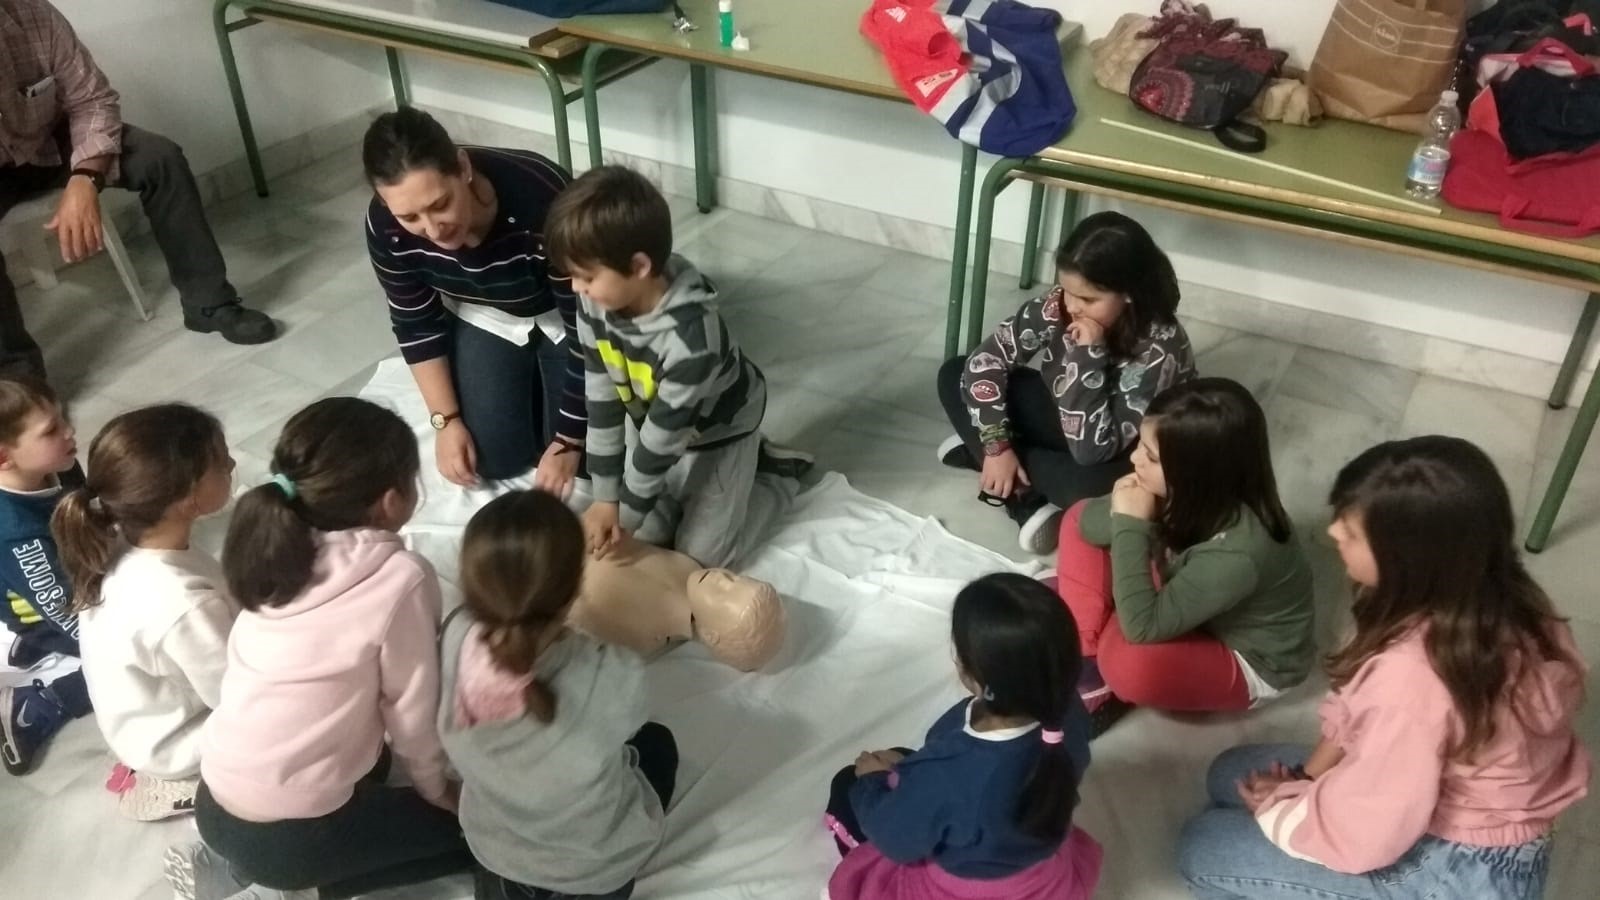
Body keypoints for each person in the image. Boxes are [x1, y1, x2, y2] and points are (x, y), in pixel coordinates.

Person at [1177, 436, 1591, 899]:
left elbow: (1369, 832)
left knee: (1201, 848)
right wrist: (1304, 781)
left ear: (1406, 559)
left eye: (1353, 533)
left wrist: (1281, 811)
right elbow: (1363, 718)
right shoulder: (1500, 597)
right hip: (1469, 815)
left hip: (1457, 870)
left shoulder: (1414, 680)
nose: (1334, 532)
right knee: (1228, 772)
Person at [164, 398, 471, 900]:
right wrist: (437, 789)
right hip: (289, 840)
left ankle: (256, 868)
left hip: (214, 800)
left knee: (368, 766)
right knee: (481, 833)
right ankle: (295, 884)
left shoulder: (272, 546)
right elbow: (410, 708)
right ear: (392, 501)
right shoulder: (400, 578)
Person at [0, 0, 276, 387]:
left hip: (49, 141)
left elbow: (91, 99)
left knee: (159, 158)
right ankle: (18, 383)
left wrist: (85, 178)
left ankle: (208, 303)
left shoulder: (33, 13)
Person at [549, 165, 806, 569]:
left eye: (586, 276)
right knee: (645, 535)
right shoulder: (593, 300)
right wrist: (605, 498)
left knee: (701, 561)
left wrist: (624, 517)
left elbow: (661, 442)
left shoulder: (692, 340)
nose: (575, 287)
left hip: (720, 430)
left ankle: (768, 473)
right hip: (652, 418)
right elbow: (601, 400)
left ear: (639, 267)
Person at [440, 489, 677, 900]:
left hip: (497, 851)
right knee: (658, 745)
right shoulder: (613, 671)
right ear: (574, 592)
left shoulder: (455, 635)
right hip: (594, 868)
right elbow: (627, 723)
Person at [1052, 378, 1315, 733]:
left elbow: (1142, 628)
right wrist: (1128, 514)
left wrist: (1130, 523)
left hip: (1248, 657)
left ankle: (1097, 633)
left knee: (1129, 664)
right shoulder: (1200, 492)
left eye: (1150, 456)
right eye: (1141, 445)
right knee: (1077, 518)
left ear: (1194, 474)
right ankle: (1084, 653)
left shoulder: (1239, 553)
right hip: (1193, 593)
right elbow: (1086, 525)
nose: (1133, 459)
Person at [822, 573, 1102, 900]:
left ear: (973, 676)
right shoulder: (1069, 711)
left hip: (970, 887)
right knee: (903, 758)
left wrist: (873, 782)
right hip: (1045, 874)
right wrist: (916, 773)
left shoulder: (949, 773)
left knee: (846, 784)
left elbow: (896, 839)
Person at [936, 211, 1195, 555]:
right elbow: (988, 360)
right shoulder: (1057, 305)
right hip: (1064, 411)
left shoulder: (1161, 347)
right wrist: (997, 447)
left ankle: (994, 468)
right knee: (955, 374)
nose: (1072, 306)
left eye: (1087, 299)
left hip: (1119, 446)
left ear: (1130, 293)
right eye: (1067, 290)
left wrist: (1088, 355)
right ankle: (1014, 482)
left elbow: (1092, 451)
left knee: (1096, 490)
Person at [363, 107, 585, 493]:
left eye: (440, 204)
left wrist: (569, 439)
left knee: (584, 465)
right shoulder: (386, 228)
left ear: (463, 168)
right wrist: (445, 421)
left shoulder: (544, 198)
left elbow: (588, 326)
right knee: (492, 460)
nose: (432, 230)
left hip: (561, 317)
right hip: (487, 312)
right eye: (410, 217)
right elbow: (416, 322)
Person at [51, 403, 238, 820]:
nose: (231, 465)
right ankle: (189, 791)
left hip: (143, 724)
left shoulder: (121, 537)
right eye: (222, 463)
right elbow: (241, 699)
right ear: (189, 501)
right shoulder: (183, 605)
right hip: (177, 745)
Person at [0, 375, 91, 775]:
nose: (69, 431)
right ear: (4, 457)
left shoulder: (58, 465)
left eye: (63, 418)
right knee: (139, 664)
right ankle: (42, 701)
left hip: (68, 577)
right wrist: (113, 646)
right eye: (51, 430)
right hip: (42, 615)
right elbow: (59, 607)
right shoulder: (17, 532)